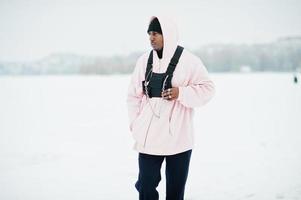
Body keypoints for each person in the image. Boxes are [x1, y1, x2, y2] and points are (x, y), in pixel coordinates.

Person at [126, 15, 215, 200]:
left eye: (156, 33)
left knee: (175, 194)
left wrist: (181, 93)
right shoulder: (144, 61)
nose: (151, 37)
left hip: (179, 140)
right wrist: (136, 124)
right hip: (148, 139)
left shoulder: (189, 61)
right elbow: (133, 95)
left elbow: (208, 89)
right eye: (149, 33)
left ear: (169, 34)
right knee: (146, 188)